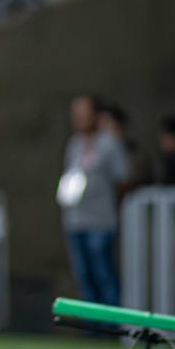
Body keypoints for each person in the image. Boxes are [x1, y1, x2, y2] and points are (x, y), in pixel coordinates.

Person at [58, 94, 128, 307]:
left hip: (101, 221)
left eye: (84, 113)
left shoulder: (109, 143)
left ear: (96, 115)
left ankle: (113, 326)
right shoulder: (74, 144)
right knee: (84, 276)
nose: (79, 118)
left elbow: (122, 180)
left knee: (104, 273)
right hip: (76, 220)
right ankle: (93, 330)